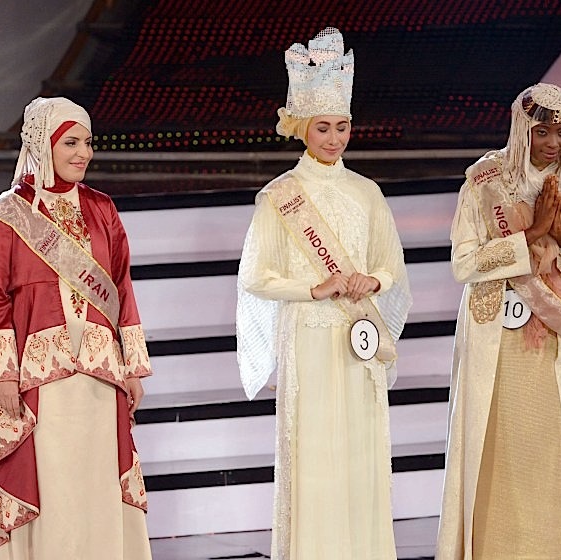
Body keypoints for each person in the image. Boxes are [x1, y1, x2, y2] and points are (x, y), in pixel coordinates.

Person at [236, 27, 412, 560]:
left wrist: (372, 281)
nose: (334, 139)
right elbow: (255, 276)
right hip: (308, 340)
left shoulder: (367, 192)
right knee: (314, 454)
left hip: (359, 338)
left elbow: (392, 266)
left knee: (359, 451)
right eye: (323, 128)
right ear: (302, 129)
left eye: (342, 127)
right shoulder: (279, 197)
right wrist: (315, 287)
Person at [436, 82, 561, 560]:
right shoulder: (485, 178)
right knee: (497, 441)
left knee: (548, 441)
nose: (553, 143)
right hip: (492, 328)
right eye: (542, 132)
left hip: (549, 326)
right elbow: (463, 263)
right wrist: (530, 235)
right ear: (522, 129)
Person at [0, 97, 152, 558]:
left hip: (100, 375)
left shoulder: (102, 208)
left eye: (88, 142)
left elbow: (121, 287)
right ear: (44, 145)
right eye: (71, 143)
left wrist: (133, 367)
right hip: (37, 379)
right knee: (52, 486)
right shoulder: (6, 215)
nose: (84, 153)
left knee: (94, 481)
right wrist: (2, 376)